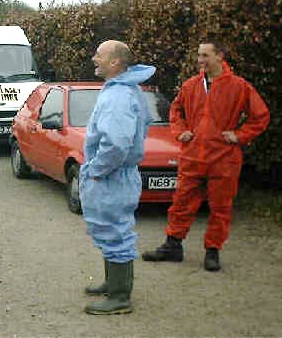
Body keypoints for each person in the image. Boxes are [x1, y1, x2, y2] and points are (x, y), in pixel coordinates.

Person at [142, 39, 270, 271]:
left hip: (223, 159)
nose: (200, 60)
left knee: (220, 207)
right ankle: (173, 246)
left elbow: (260, 116)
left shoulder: (239, 86)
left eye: (205, 55)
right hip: (193, 156)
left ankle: (213, 251)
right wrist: (181, 131)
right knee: (181, 203)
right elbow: (175, 110)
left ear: (219, 56)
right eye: (199, 55)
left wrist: (240, 135)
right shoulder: (191, 85)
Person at [79, 40, 155, 315]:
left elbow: (116, 143)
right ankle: (114, 283)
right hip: (119, 174)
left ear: (115, 63)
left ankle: (120, 296)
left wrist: (97, 170)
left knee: (115, 231)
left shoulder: (118, 96)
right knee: (111, 229)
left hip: (112, 175)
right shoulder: (128, 90)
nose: (93, 59)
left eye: (99, 55)